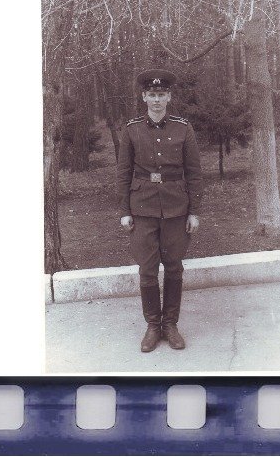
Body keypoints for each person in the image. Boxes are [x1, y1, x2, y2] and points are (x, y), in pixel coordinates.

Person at [116, 69, 203, 353]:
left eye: (161, 95)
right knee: (148, 269)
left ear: (169, 97)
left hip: (177, 207)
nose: (156, 100)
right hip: (142, 208)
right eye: (152, 95)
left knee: (174, 267)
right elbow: (123, 173)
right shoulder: (131, 129)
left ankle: (171, 325)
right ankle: (153, 326)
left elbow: (194, 172)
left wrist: (194, 211)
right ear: (144, 97)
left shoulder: (183, 128)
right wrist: (125, 210)